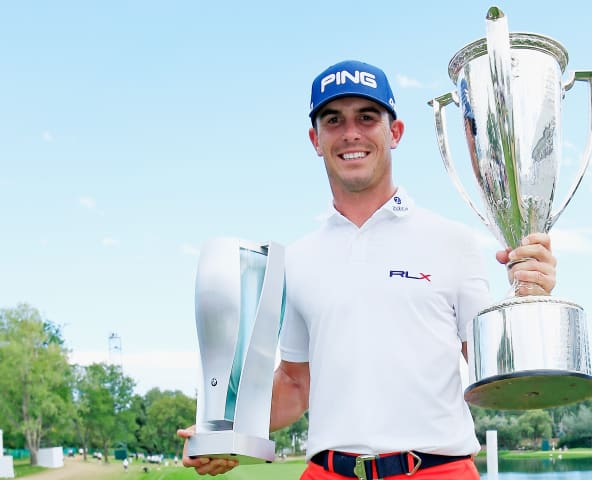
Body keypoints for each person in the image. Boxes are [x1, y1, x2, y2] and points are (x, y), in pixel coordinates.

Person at [179, 59, 557, 479]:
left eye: (367, 117)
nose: (351, 133)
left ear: (394, 132)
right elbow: (295, 384)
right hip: (329, 473)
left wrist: (527, 301)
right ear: (315, 139)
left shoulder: (452, 241)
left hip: (436, 471)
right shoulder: (298, 259)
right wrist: (225, 433)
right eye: (333, 120)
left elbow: (492, 370)